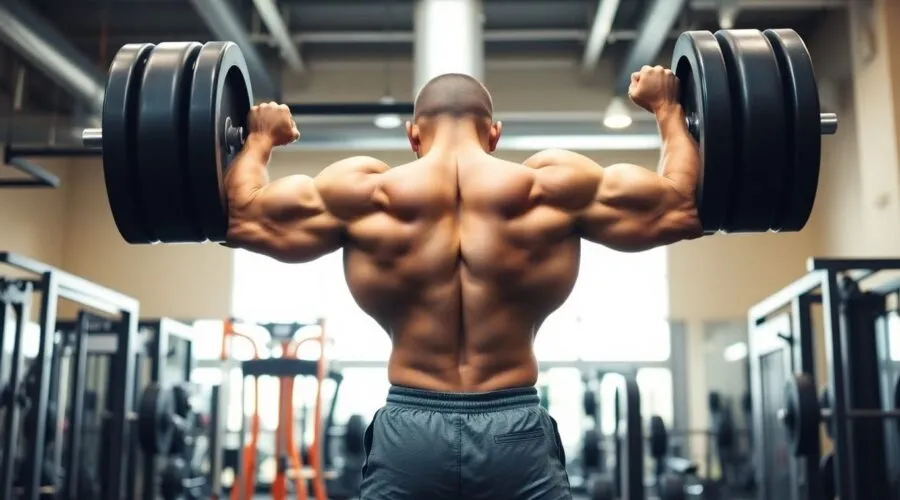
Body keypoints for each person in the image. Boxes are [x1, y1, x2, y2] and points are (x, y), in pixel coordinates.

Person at [224, 65, 702, 499]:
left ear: (414, 135)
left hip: (410, 431)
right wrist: (667, 109)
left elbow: (243, 217)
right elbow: (680, 206)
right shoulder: (552, 189)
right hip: (514, 428)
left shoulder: (364, 194)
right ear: (494, 134)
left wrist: (260, 139)